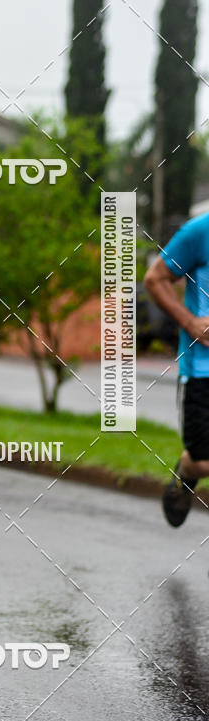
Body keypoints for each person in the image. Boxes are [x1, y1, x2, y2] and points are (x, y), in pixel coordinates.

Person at [143, 211, 209, 527]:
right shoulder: (200, 231)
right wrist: (190, 322)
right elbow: (155, 278)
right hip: (202, 369)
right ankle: (187, 470)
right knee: (203, 460)